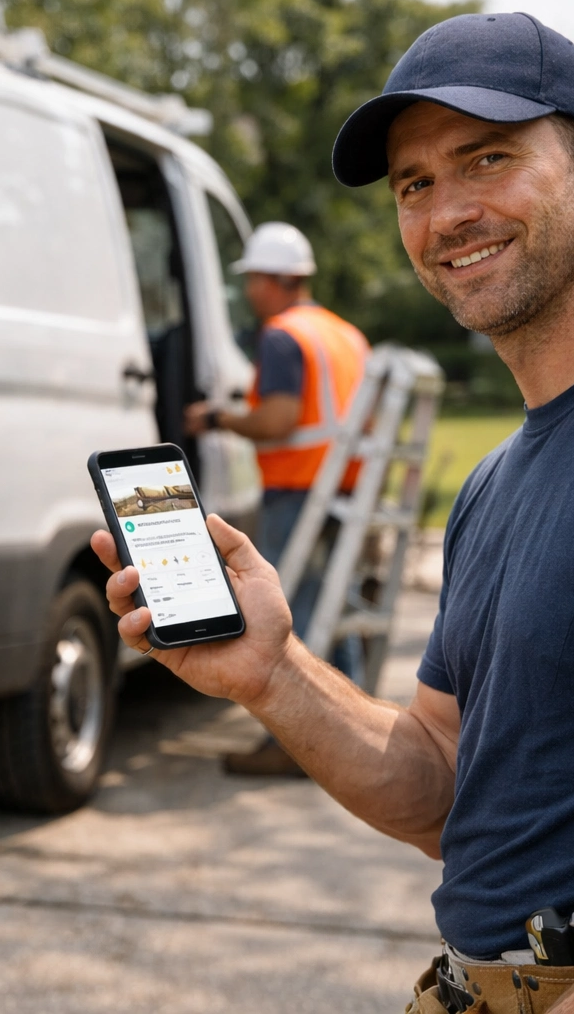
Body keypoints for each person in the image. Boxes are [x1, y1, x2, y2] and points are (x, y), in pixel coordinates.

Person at [96, 11, 574, 1014]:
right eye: (414, 184)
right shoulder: (500, 479)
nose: (445, 211)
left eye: (488, 158)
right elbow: (446, 784)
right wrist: (274, 673)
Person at [184, 222, 370, 777]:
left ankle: (295, 744)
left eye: (252, 280)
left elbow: (280, 419)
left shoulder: (282, 335)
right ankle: (355, 736)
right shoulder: (342, 333)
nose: (248, 292)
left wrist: (217, 419)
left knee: (294, 619)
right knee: (336, 609)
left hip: (299, 490)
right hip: (345, 490)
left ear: (273, 280)